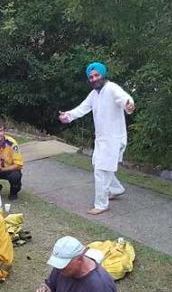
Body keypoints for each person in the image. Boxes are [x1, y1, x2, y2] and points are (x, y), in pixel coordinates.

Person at [58, 62, 136, 215]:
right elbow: (82, 108)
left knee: (101, 171)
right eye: (91, 77)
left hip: (114, 139)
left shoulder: (112, 88)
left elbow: (125, 99)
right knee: (98, 165)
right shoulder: (94, 94)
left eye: (96, 75)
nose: (94, 79)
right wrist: (68, 116)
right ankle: (116, 189)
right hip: (101, 140)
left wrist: (129, 105)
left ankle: (101, 204)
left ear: (103, 75)